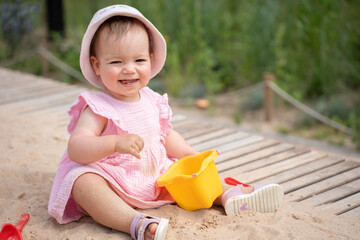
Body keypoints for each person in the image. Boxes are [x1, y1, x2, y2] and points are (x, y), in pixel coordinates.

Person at [48, 5, 284, 240]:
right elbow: (76, 148)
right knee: (83, 183)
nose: (129, 69)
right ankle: (135, 223)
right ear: (97, 65)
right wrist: (113, 143)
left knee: (188, 172)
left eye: (139, 60)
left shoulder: (151, 99)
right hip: (114, 178)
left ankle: (228, 195)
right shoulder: (98, 107)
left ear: (150, 60)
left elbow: (165, 135)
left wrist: (189, 154)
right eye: (116, 62)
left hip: (156, 176)